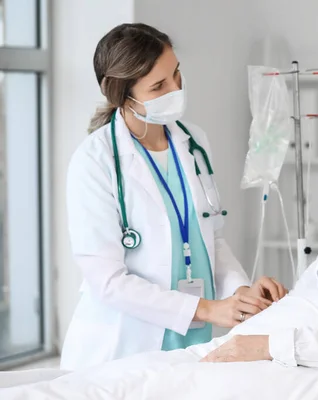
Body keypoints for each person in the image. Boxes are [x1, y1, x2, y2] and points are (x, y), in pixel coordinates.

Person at [2, 76, 318, 398]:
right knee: (105, 381)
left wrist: (268, 344)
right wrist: (281, 299)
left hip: (293, 361)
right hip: (266, 339)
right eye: (160, 83)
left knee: (136, 388)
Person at [60, 23, 286, 371]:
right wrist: (209, 308)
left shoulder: (193, 142)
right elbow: (107, 281)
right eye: (159, 86)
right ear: (124, 96)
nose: (176, 89)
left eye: (177, 74)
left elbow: (213, 236)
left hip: (196, 335)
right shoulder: (94, 161)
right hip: (126, 343)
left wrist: (241, 295)